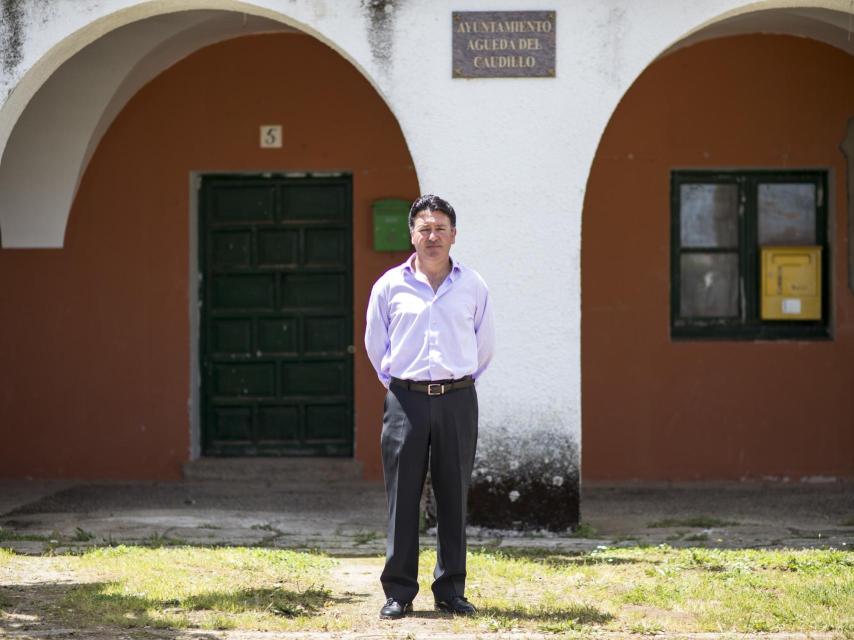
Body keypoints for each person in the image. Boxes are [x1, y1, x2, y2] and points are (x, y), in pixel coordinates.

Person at [364, 194, 495, 620]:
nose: (432, 236)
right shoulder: (388, 285)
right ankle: (399, 592)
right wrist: (402, 386)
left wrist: (457, 384)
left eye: (440, 228)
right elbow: (375, 345)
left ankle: (451, 590)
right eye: (424, 228)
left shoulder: (473, 285)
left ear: (454, 235)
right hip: (405, 400)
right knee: (403, 498)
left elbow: (484, 346)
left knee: (453, 495)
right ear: (412, 234)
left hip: (457, 399)